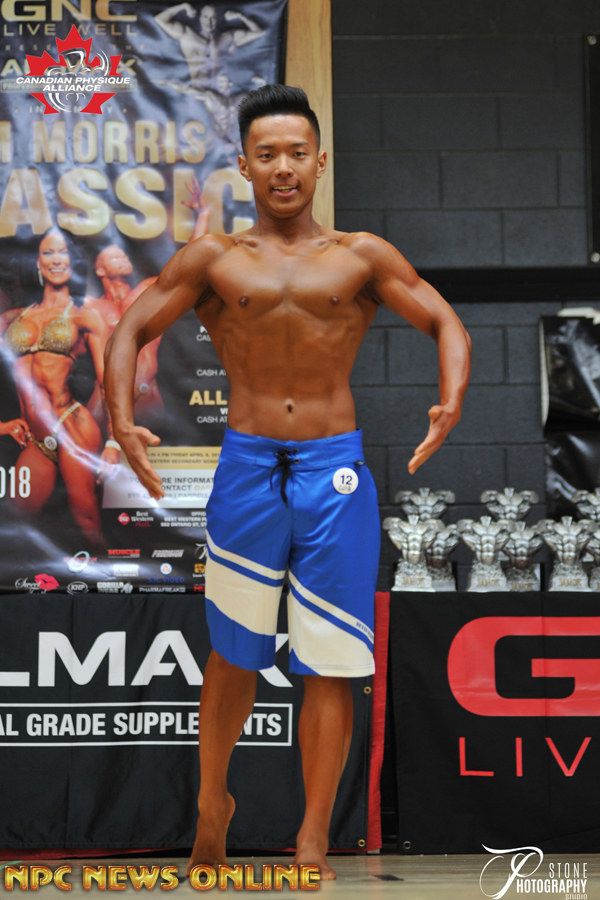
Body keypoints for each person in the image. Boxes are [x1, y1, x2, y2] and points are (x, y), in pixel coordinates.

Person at [105, 84, 472, 879]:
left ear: (319, 161)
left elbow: (443, 318)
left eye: (296, 153)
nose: (283, 167)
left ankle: (311, 836)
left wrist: (451, 399)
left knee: (329, 658)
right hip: (247, 466)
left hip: (332, 467)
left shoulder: (360, 256)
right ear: (244, 165)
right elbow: (132, 325)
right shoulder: (214, 259)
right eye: (266, 154)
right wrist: (121, 418)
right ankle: (213, 803)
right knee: (234, 652)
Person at [0, 229, 110, 547]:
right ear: (38, 262)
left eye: (63, 252)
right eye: (48, 253)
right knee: (16, 521)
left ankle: (110, 573)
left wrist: (114, 443)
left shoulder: (84, 316)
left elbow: (109, 382)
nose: (56, 260)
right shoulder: (12, 318)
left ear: (73, 262)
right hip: (36, 437)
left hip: (70, 425)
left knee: (86, 520)